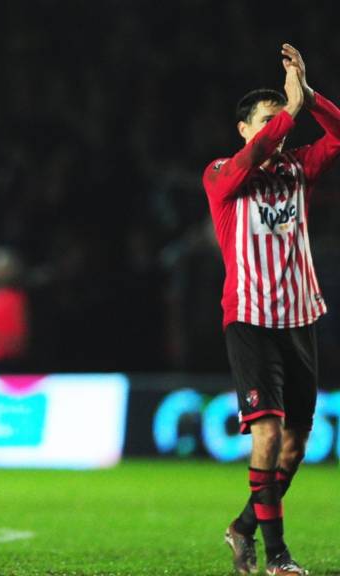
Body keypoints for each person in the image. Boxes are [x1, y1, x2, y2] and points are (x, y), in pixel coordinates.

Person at [203, 44, 340, 576]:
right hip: (250, 319)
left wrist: (308, 97)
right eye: (265, 122)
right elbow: (252, 159)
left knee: (295, 446)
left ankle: (242, 527)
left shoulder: (298, 168)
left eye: (279, 120)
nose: (279, 130)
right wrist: (288, 113)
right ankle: (277, 556)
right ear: (244, 130)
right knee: (267, 433)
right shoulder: (222, 173)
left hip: (300, 317)